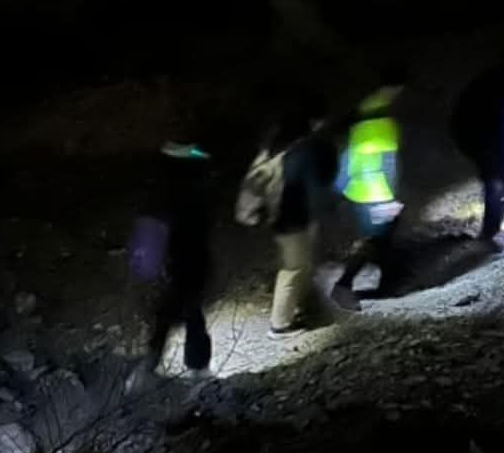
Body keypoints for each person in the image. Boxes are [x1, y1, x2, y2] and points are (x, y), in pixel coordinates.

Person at [236, 108, 338, 336]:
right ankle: (279, 325)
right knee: (294, 268)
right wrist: (326, 210)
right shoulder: (301, 152)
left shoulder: (274, 149)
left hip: (280, 218)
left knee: (301, 264)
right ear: (311, 123)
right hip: (295, 220)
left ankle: (298, 308)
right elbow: (311, 188)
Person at [141, 139, 214, 376]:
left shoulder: (160, 192)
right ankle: (197, 367)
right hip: (190, 259)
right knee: (189, 311)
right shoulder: (195, 192)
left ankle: (150, 365)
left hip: (172, 261)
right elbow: (200, 227)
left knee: (171, 313)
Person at [332, 80, 405, 308]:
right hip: (376, 192)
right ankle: (343, 286)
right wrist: (391, 197)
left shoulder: (363, 113)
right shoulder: (382, 120)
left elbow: (352, 156)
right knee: (374, 241)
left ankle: (390, 281)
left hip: (360, 189)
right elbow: (388, 163)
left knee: (383, 239)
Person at [451, 50, 504, 242]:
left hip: (480, 145)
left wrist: (465, 144)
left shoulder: (480, 82)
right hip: (494, 146)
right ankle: (489, 232)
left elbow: (459, 114)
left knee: (494, 186)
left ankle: (489, 230)